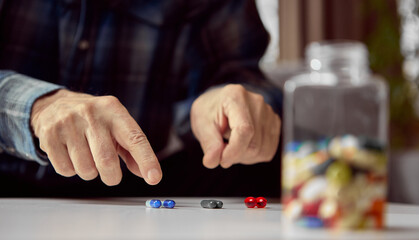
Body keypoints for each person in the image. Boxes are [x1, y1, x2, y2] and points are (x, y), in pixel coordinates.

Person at [0, 0, 282, 197]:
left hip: (146, 181)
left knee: (258, 166)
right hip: (9, 175)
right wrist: (36, 107)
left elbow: (241, 74)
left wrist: (226, 98)